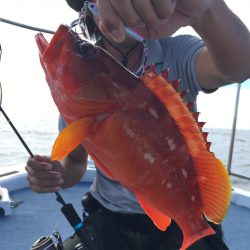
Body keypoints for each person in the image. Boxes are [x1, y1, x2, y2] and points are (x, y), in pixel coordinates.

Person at [26, 0, 250, 249]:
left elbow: (241, 66)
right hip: (110, 213)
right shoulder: (79, 102)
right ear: (87, 9)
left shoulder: (176, 53)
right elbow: (76, 163)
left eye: (84, 51)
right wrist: (56, 176)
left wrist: (205, 9)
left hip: (185, 214)